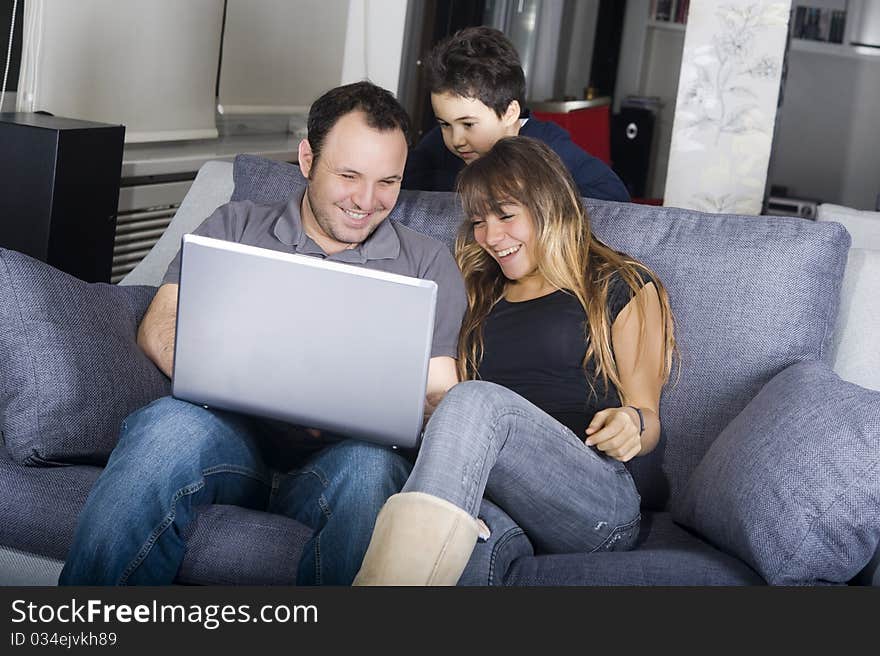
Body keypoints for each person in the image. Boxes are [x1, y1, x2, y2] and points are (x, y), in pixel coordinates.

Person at [59, 81, 465, 586]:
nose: (367, 200)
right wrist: (257, 387)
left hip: (342, 458)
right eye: (348, 175)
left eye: (388, 181)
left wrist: (382, 407)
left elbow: (438, 390)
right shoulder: (234, 226)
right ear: (306, 158)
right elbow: (159, 327)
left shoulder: (427, 262)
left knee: (370, 473)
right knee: (167, 427)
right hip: (229, 436)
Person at [354, 136, 676, 585]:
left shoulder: (620, 284)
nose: (491, 237)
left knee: (475, 401)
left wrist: (631, 425)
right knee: (457, 550)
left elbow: (648, 416)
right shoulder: (478, 291)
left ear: (551, 205)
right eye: (480, 222)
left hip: (594, 499)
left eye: (506, 215)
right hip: (496, 494)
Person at [402, 26, 630, 203]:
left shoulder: (549, 147)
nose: (456, 140)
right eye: (445, 124)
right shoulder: (439, 144)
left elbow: (613, 195)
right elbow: (402, 182)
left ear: (510, 113)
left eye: (469, 124)